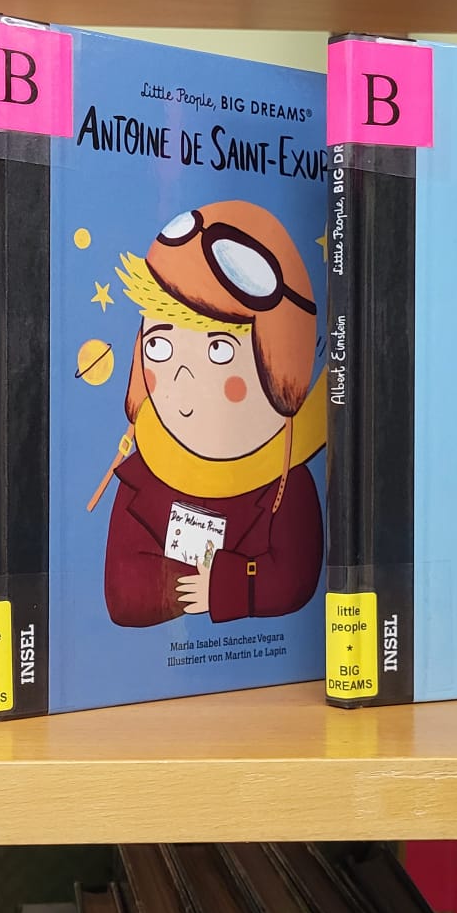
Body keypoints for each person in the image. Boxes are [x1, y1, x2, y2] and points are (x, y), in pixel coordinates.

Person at [99, 200, 324, 626]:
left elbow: (294, 579)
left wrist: (219, 586)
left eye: (219, 349)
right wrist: (225, 579)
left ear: (279, 369)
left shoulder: (286, 483)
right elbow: (124, 594)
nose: (183, 377)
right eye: (159, 345)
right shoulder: (144, 474)